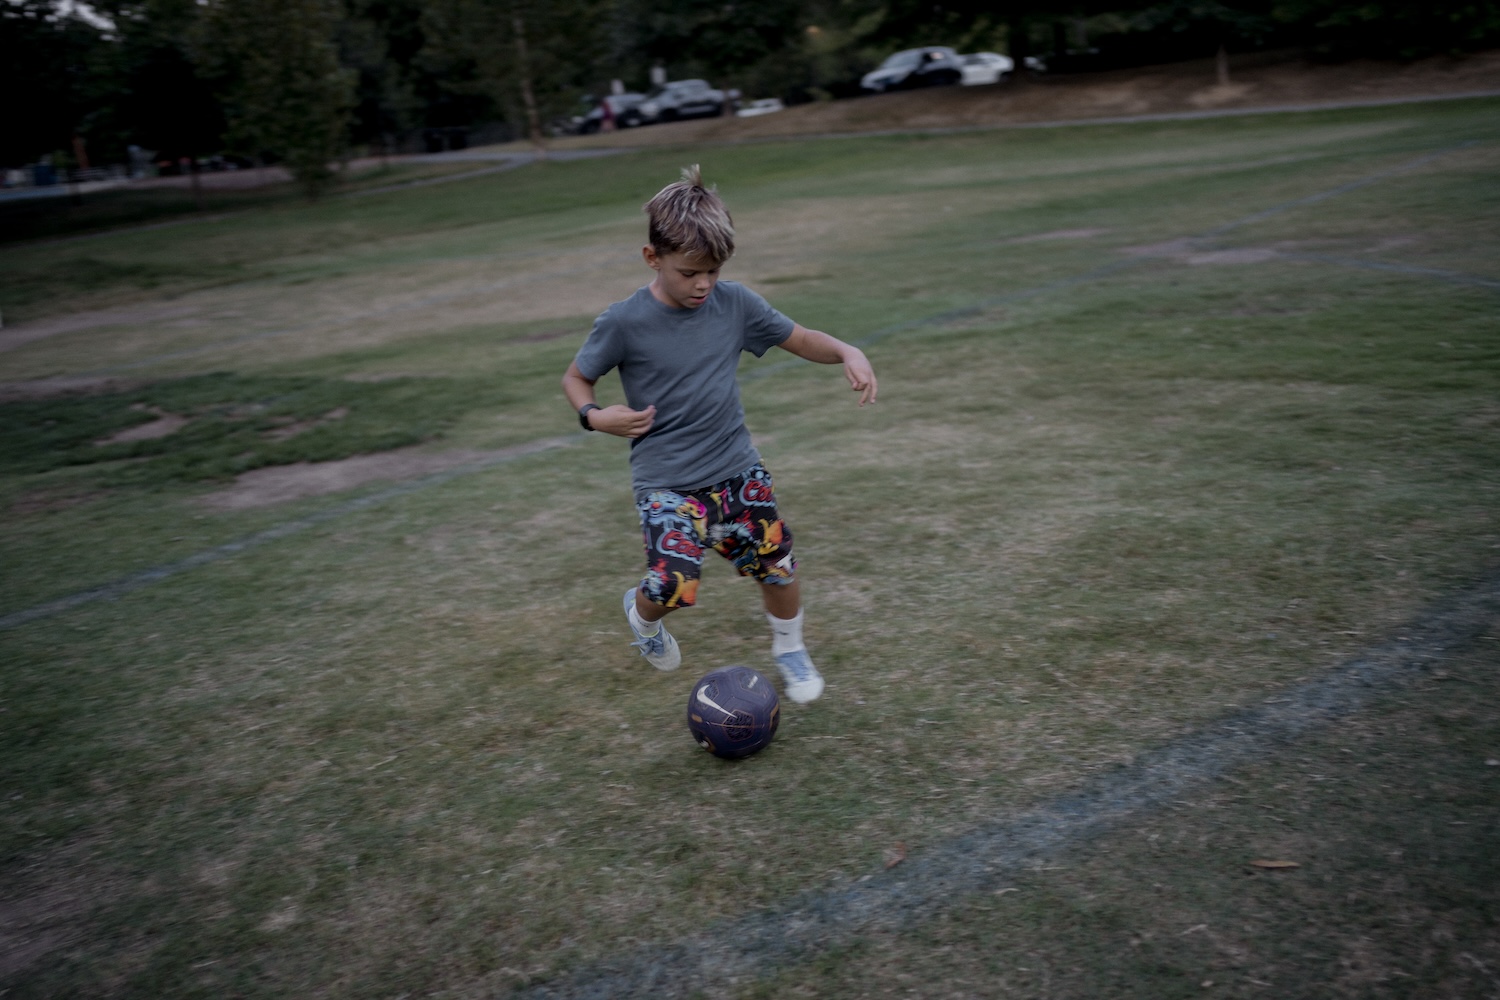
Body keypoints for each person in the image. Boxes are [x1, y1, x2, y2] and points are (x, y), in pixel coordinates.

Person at [561, 165, 877, 703]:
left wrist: (848, 351)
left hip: (736, 469)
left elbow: (801, 338)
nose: (703, 284)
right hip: (667, 481)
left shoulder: (735, 304)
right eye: (689, 272)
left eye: (713, 270)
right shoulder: (623, 322)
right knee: (672, 585)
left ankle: (791, 649)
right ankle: (641, 615)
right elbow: (575, 377)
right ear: (652, 257)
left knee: (777, 566)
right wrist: (594, 416)